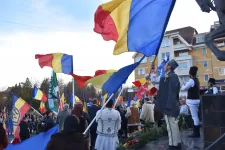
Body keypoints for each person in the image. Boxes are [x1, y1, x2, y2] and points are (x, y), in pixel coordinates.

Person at [154, 59, 181, 150]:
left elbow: (172, 93)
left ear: (169, 66)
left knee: (170, 125)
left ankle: (173, 145)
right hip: (171, 104)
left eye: (166, 65)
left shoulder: (172, 76)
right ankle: (177, 142)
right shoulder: (170, 76)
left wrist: (168, 105)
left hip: (169, 105)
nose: (164, 66)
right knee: (174, 124)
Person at [181, 66, 201, 138]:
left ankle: (196, 133)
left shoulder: (192, 80)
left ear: (190, 73)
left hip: (192, 101)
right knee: (196, 117)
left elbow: (185, 88)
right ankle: (196, 132)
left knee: (194, 117)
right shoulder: (196, 80)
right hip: (196, 100)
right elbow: (190, 85)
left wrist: (183, 85)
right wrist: (185, 83)